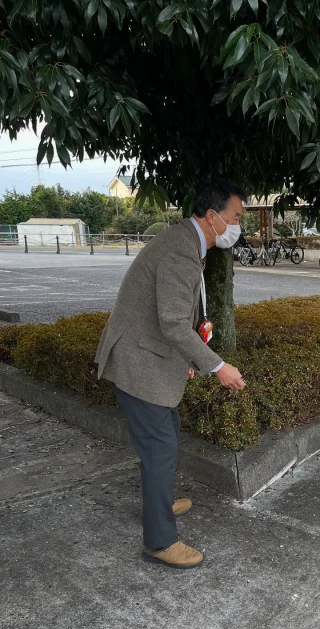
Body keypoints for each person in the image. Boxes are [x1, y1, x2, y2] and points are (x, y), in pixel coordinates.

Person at [95, 180, 247, 569]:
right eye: (235, 217)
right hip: (138, 362)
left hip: (145, 355)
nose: (237, 225)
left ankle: (158, 505)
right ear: (213, 217)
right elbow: (174, 324)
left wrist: (188, 362)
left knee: (162, 441)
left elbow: (171, 318)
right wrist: (217, 366)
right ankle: (160, 540)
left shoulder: (185, 240)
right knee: (161, 448)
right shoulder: (182, 251)